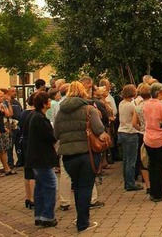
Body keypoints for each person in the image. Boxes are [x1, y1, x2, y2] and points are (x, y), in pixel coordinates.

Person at [54, 81, 109, 232]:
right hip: (87, 153)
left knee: (77, 186)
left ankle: (80, 218)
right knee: (85, 187)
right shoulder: (88, 109)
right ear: (83, 92)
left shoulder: (60, 111)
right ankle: (83, 222)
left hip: (68, 155)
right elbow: (99, 129)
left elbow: (56, 134)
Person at [25, 91, 59, 227]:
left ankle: (39, 215)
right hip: (41, 158)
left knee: (40, 186)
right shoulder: (40, 118)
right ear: (44, 104)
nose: (50, 102)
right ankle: (47, 216)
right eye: (48, 101)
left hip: (36, 157)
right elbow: (50, 137)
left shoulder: (35, 116)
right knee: (51, 184)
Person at [143, 82, 162, 202]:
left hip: (148, 138)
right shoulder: (161, 105)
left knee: (152, 165)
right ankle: (159, 194)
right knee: (161, 166)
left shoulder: (145, 104)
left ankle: (153, 192)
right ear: (159, 92)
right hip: (161, 138)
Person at [118, 84, 142, 191]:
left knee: (126, 158)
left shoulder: (121, 104)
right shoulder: (132, 106)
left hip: (122, 131)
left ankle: (126, 181)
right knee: (131, 160)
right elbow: (137, 119)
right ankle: (130, 183)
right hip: (130, 133)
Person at [20, 93, 37, 209]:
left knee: (27, 171)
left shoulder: (23, 113)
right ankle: (33, 198)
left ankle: (28, 197)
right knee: (33, 172)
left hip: (24, 142)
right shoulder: (34, 115)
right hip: (32, 143)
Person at [133, 84, 151, 191]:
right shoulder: (155, 104)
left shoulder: (138, 107)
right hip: (153, 133)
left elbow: (134, 123)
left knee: (143, 159)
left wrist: (140, 128)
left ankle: (147, 184)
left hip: (142, 134)